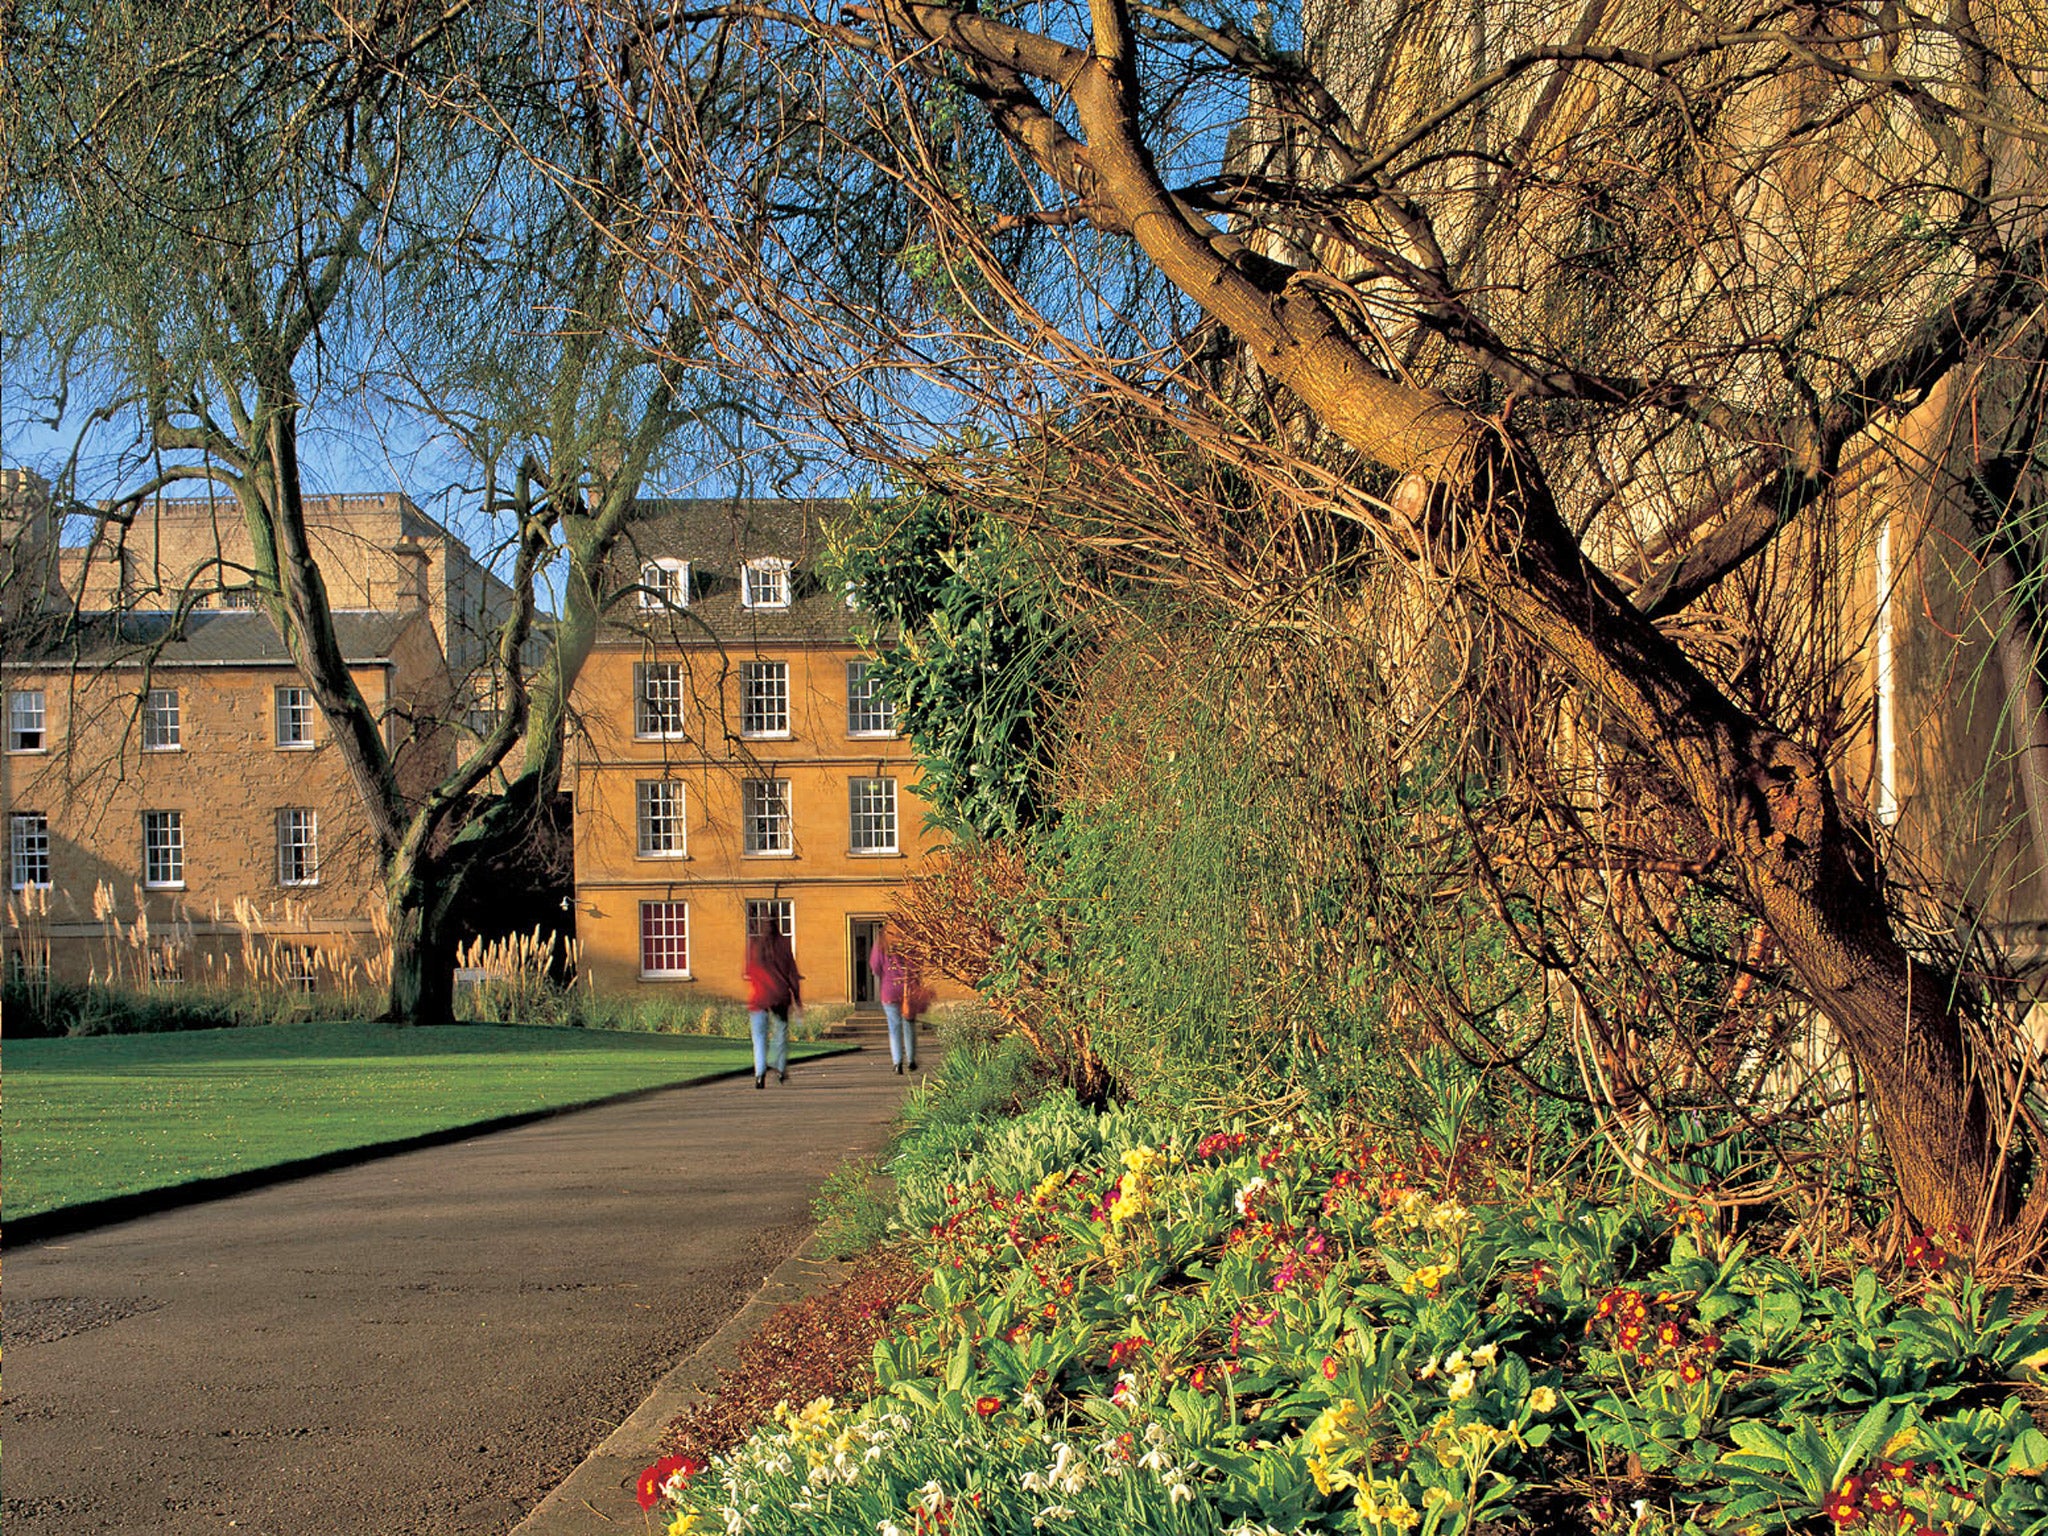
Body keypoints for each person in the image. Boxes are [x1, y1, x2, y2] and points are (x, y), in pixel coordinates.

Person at [743, 923, 802, 1088]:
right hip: (780, 996)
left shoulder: (754, 946)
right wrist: (797, 1000)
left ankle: (760, 1075)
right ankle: (781, 1069)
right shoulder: (784, 946)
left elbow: (748, 971)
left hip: (759, 997)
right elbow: (793, 975)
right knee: (780, 1035)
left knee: (759, 1038)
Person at [869, 921, 919, 1074]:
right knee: (908, 1024)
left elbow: (875, 966)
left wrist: (885, 975)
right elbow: (917, 966)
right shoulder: (910, 942)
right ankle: (911, 1060)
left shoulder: (881, 944)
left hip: (889, 989)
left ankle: (897, 1062)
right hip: (908, 988)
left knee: (894, 1027)